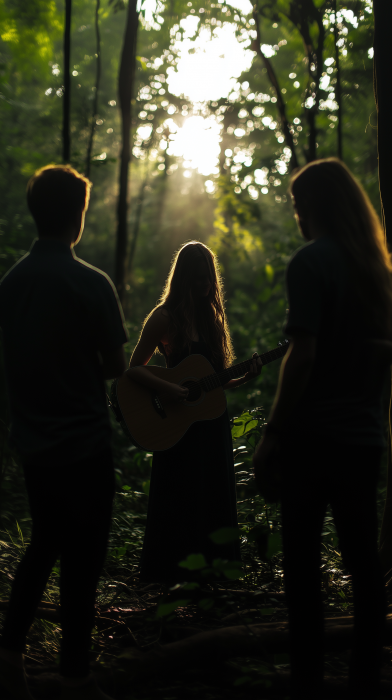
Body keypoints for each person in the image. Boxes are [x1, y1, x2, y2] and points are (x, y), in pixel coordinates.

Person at [253, 158, 391, 700]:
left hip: (312, 439)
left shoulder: (310, 263)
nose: (295, 216)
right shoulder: (376, 270)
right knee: (362, 566)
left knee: (303, 567)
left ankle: (307, 682)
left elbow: (302, 354)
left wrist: (273, 431)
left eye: (296, 205)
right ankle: (364, 682)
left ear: (313, 207)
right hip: (363, 441)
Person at [0, 165, 128, 700]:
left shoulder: (10, 285)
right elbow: (117, 367)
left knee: (44, 544)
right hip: (88, 447)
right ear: (78, 216)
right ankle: (75, 674)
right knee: (84, 559)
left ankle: (7, 656)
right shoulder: (92, 283)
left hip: (36, 446)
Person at [128, 241, 262, 582]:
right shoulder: (164, 318)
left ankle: (214, 581)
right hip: (177, 425)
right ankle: (169, 576)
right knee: (178, 498)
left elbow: (211, 382)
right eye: (198, 279)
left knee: (212, 498)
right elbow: (134, 369)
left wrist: (243, 377)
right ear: (184, 277)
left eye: (209, 279)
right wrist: (169, 388)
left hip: (211, 425)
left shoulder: (211, 318)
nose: (205, 286)